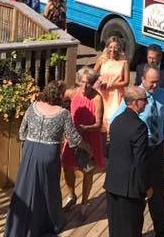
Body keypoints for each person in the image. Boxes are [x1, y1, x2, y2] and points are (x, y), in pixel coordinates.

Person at [4, 81, 86, 237]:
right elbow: (74, 139)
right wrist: (89, 147)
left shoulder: (32, 107)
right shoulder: (63, 113)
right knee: (49, 190)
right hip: (49, 153)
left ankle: (19, 223)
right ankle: (50, 222)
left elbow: (22, 133)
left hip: (30, 152)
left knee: (25, 188)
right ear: (60, 96)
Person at [111, 67, 164, 237]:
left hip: (157, 149)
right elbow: (116, 120)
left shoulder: (162, 94)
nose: (155, 85)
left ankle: (161, 230)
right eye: (151, 81)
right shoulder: (134, 96)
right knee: (141, 191)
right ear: (143, 78)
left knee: (158, 194)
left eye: (157, 81)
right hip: (140, 150)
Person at [104, 87, 151, 237]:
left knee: (116, 228)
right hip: (130, 188)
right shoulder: (139, 127)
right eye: (145, 100)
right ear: (136, 103)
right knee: (132, 228)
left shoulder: (116, 121)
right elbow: (140, 162)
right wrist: (146, 187)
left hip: (112, 184)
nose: (147, 103)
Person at [62, 68, 106, 216]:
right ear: (78, 81)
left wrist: (84, 128)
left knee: (88, 171)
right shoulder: (73, 93)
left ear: (93, 83)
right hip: (73, 137)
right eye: (82, 82)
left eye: (88, 83)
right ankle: (71, 195)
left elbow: (99, 124)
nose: (85, 86)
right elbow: (57, 94)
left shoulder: (97, 98)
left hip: (90, 138)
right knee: (67, 166)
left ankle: (85, 202)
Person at [135, 45, 164, 124]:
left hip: (161, 115)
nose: (151, 61)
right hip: (143, 113)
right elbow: (137, 88)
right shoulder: (140, 68)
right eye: (149, 58)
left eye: (154, 58)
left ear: (160, 57)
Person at [94, 37, 129, 132]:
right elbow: (93, 74)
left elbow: (126, 82)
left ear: (119, 48)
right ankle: (102, 145)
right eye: (110, 47)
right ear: (107, 48)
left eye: (115, 47)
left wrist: (112, 85)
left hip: (116, 95)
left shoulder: (124, 62)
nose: (113, 50)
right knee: (101, 121)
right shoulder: (102, 60)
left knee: (113, 121)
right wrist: (98, 81)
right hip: (102, 93)